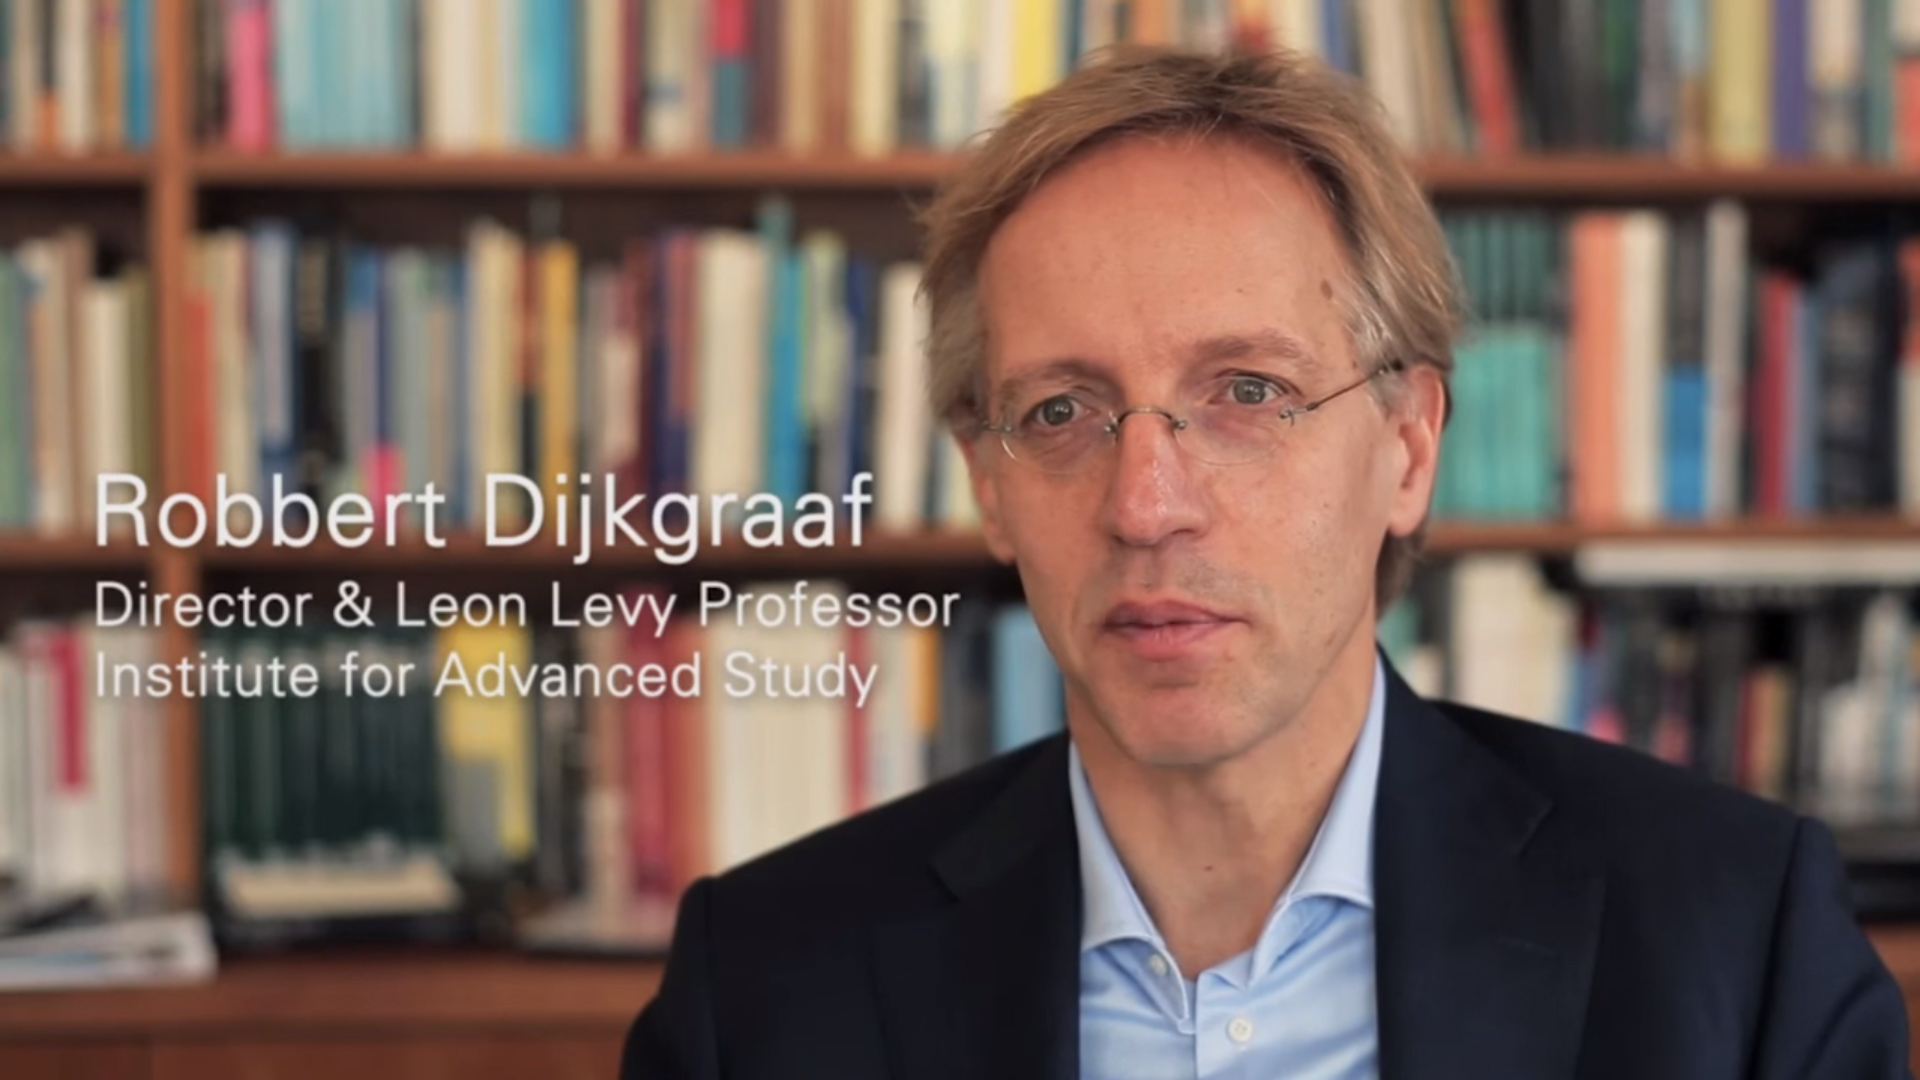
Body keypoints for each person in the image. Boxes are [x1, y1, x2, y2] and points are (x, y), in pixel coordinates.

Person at [621, 47, 1912, 1079]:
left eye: (1246, 389)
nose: (1146, 503)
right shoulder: (769, 987)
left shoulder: (1737, 947)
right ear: (988, 484)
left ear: (1407, 449)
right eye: (1062, 410)